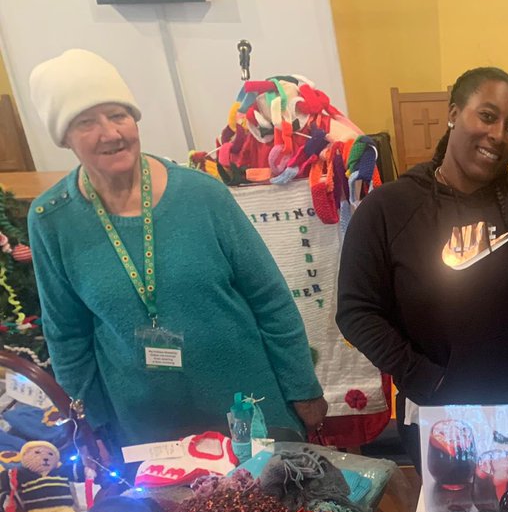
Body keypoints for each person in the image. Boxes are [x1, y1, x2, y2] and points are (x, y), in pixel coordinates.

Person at [26, 49, 327, 447]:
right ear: (64, 137)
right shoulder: (52, 218)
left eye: (118, 115)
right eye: (86, 122)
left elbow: (270, 298)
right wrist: (90, 422)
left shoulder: (202, 194)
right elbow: (66, 335)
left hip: (248, 409)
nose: (111, 134)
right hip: (146, 427)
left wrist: (302, 388)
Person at [336, 67, 508, 459]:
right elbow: (356, 312)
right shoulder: (388, 209)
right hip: (443, 417)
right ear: (453, 112)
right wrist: (426, 379)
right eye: (487, 116)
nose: (498, 135)